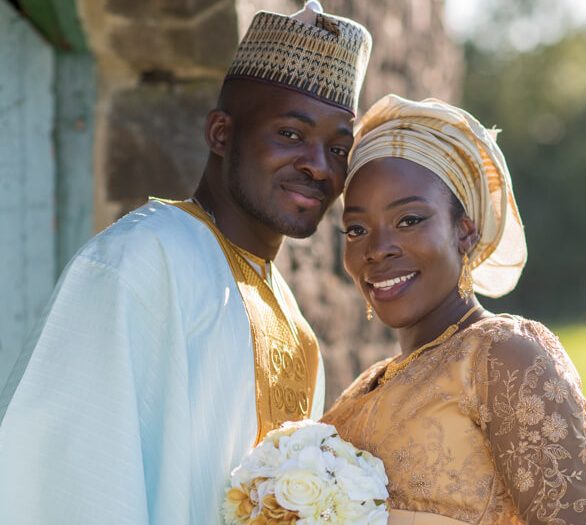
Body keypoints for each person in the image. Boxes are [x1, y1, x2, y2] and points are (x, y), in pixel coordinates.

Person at [0, 3, 371, 524]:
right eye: (291, 134)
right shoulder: (140, 260)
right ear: (221, 133)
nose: (318, 165)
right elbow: (65, 479)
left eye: (338, 148)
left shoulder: (297, 327)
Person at [322, 94, 586, 525]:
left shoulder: (503, 356)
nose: (376, 250)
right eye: (356, 229)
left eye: (409, 220)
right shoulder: (362, 388)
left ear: (464, 232)